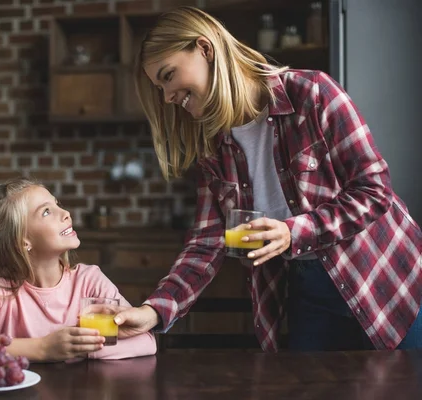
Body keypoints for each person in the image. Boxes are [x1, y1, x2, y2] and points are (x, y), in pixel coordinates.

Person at [113, 6, 422, 352]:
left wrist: (294, 232)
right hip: (308, 292)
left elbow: (374, 190)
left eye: (168, 76)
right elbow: (206, 242)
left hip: (387, 280)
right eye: (160, 88)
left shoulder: (313, 94)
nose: (167, 97)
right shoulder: (213, 148)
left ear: (205, 49)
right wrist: (154, 311)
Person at [0, 178, 156, 361]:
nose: (65, 213)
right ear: (22, 240)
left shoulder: (90, 281)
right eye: (46, 212)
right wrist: (43, 349)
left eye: (57, 204)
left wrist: (74, 350)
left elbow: (145, 341)